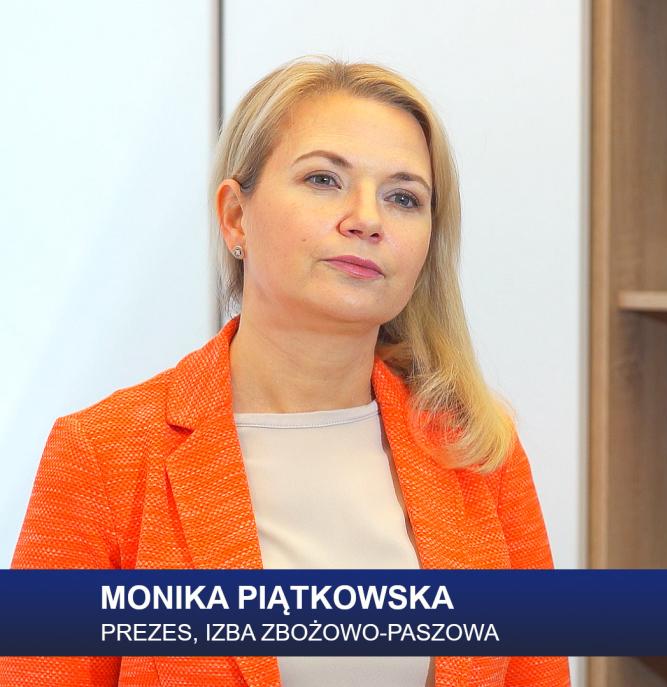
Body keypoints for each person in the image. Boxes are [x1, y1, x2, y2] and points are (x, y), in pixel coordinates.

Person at [0, 55, 570, 687]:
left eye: (403, 197)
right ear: (235, 216)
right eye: (324, 179)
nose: (367, 219)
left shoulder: (476, 450)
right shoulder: (103, 456)